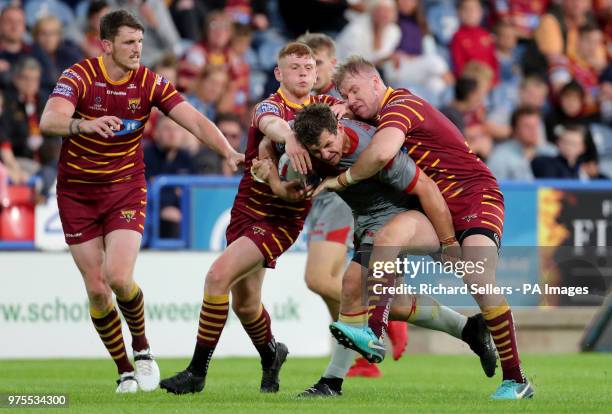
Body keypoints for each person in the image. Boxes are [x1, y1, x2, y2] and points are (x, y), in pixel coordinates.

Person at [39, 9, 243, 393]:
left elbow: (194, 120)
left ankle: (143, 348)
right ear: (107, 45)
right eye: (129, 43)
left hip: (125, 188)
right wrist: (84, 124)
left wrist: (228, 150)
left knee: (118, 276)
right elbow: (50, 120)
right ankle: (124, 370)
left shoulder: (148, 82)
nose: (137, 50)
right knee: (98, 289)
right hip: (76, 193)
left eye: (140, 42)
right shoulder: (79, 76)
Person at [314, 56, 534, 400]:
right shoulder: (363, 112)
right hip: (433, 208)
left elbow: (383, 152)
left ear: (376, 82)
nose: (351, 99)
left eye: (355, 90)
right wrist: (337, 105)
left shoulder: (401, 106)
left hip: (473, 196)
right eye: (346, 93)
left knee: (477, 276)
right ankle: (371, 338)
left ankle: (517, 379)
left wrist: (341, 179)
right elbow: (311, 111)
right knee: (382, 246)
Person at [253, 104, 497, 397]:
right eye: (317, 152)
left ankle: (333, 380)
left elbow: (427, 190)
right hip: (368, 224)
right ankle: (469, 329)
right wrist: (270, 171)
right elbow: (266, 135)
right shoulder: (307, 146)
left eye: (329, 145)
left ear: (339, 127)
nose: (326, 155)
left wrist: (448, 244)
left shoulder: (375, 151)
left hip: (400, 222)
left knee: (353, 286)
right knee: (380, 298)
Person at [159, 42, 344, 395]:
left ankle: (197, 372)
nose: (304, 72)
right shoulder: (269, 106)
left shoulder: (325, 114)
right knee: (245, 303)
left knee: (217, 277)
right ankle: (271, 354)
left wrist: (283, 179)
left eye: (309, 67)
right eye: (295, 67)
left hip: (282, 217)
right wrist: (288, 139)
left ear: (317, 73)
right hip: (247, 207)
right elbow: (270, 123)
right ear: (279, 73)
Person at [297, 32, 408, 375]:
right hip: (323, 195)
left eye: (315, 64)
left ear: (332, 64)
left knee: (318, 278)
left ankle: (389, 313)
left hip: (341, 196)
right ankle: (359, 354)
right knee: (334, 282)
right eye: (303, 65)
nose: (309, 72)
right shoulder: (312, 103)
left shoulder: (346, 104)